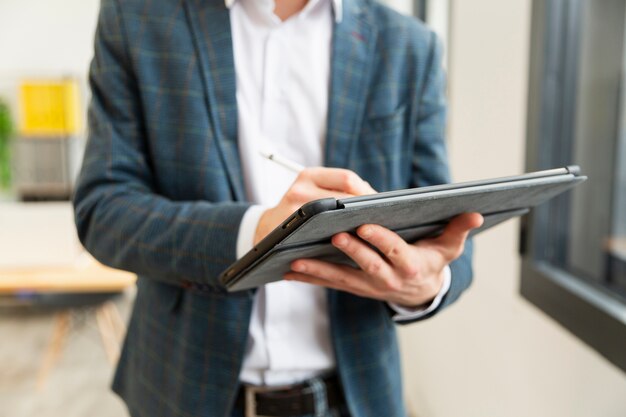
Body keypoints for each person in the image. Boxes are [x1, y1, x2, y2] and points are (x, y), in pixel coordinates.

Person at [73, 0, 483, 416]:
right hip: (183, 391)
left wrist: (425, 285)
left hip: (356, 398)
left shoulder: (410, 45)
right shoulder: (137, 18)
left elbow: (447, 231)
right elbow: (103, 211)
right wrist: (256, 232)